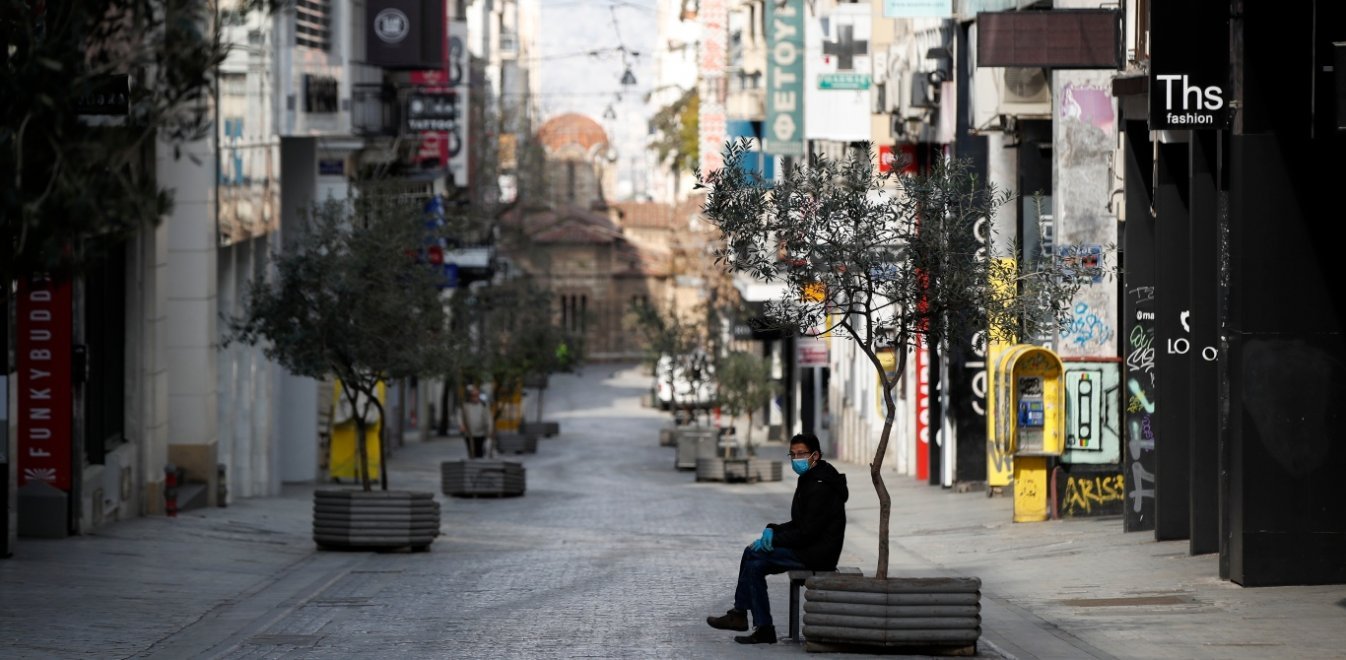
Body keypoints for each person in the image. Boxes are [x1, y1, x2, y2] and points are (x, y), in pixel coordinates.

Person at [705, 433, 849, 644]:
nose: (796, 458)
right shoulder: (811, 478)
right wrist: (773, 530)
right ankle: (752, 622)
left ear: (815, 455)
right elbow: (800, 524)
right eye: (793, 454)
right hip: (809, 547)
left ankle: (747, 619)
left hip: (817, 554)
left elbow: (807, 533)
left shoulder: (820, 485)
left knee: (754, 556)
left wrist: (774, 540)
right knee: (753, 560)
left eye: (802, 454)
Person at [458, 384, 492, 459]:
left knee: (479, 452)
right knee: (471, 452)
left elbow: (488, 418)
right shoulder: (465, 406)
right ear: (470, 396)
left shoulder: (483, 406)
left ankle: (479, 463)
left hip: (481, 433)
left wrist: (489, 430)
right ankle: (472, 461)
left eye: (476, 395)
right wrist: (461, 425)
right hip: (469, 433)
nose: (475, 397)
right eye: (473, 396)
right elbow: (460, 416)